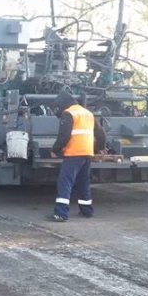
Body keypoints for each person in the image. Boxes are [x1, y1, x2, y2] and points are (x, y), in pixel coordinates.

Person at [49, 90, 106, 222]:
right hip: (87, 153)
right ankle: (87, 211)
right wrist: (100, 148)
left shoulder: (68, 113)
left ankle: (61, 213)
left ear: (63, 104)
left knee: (65, 182)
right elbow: (101, 133)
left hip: (73, 153)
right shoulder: (87, 113)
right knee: (83, 181)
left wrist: (55, 150)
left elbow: (64, 135)